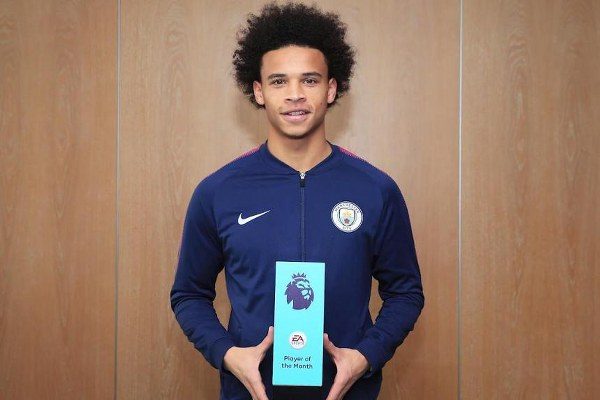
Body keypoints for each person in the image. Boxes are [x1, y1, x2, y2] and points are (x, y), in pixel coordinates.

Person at [169, 2, 424, 399]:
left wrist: (366, 356)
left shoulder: (376, 189)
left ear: (331, 88)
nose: (294, 95)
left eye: (309, 80)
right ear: (258, 91)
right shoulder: (218, 192)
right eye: (278, 81)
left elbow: (406, 292)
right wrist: (228, 354)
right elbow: (188, 294)